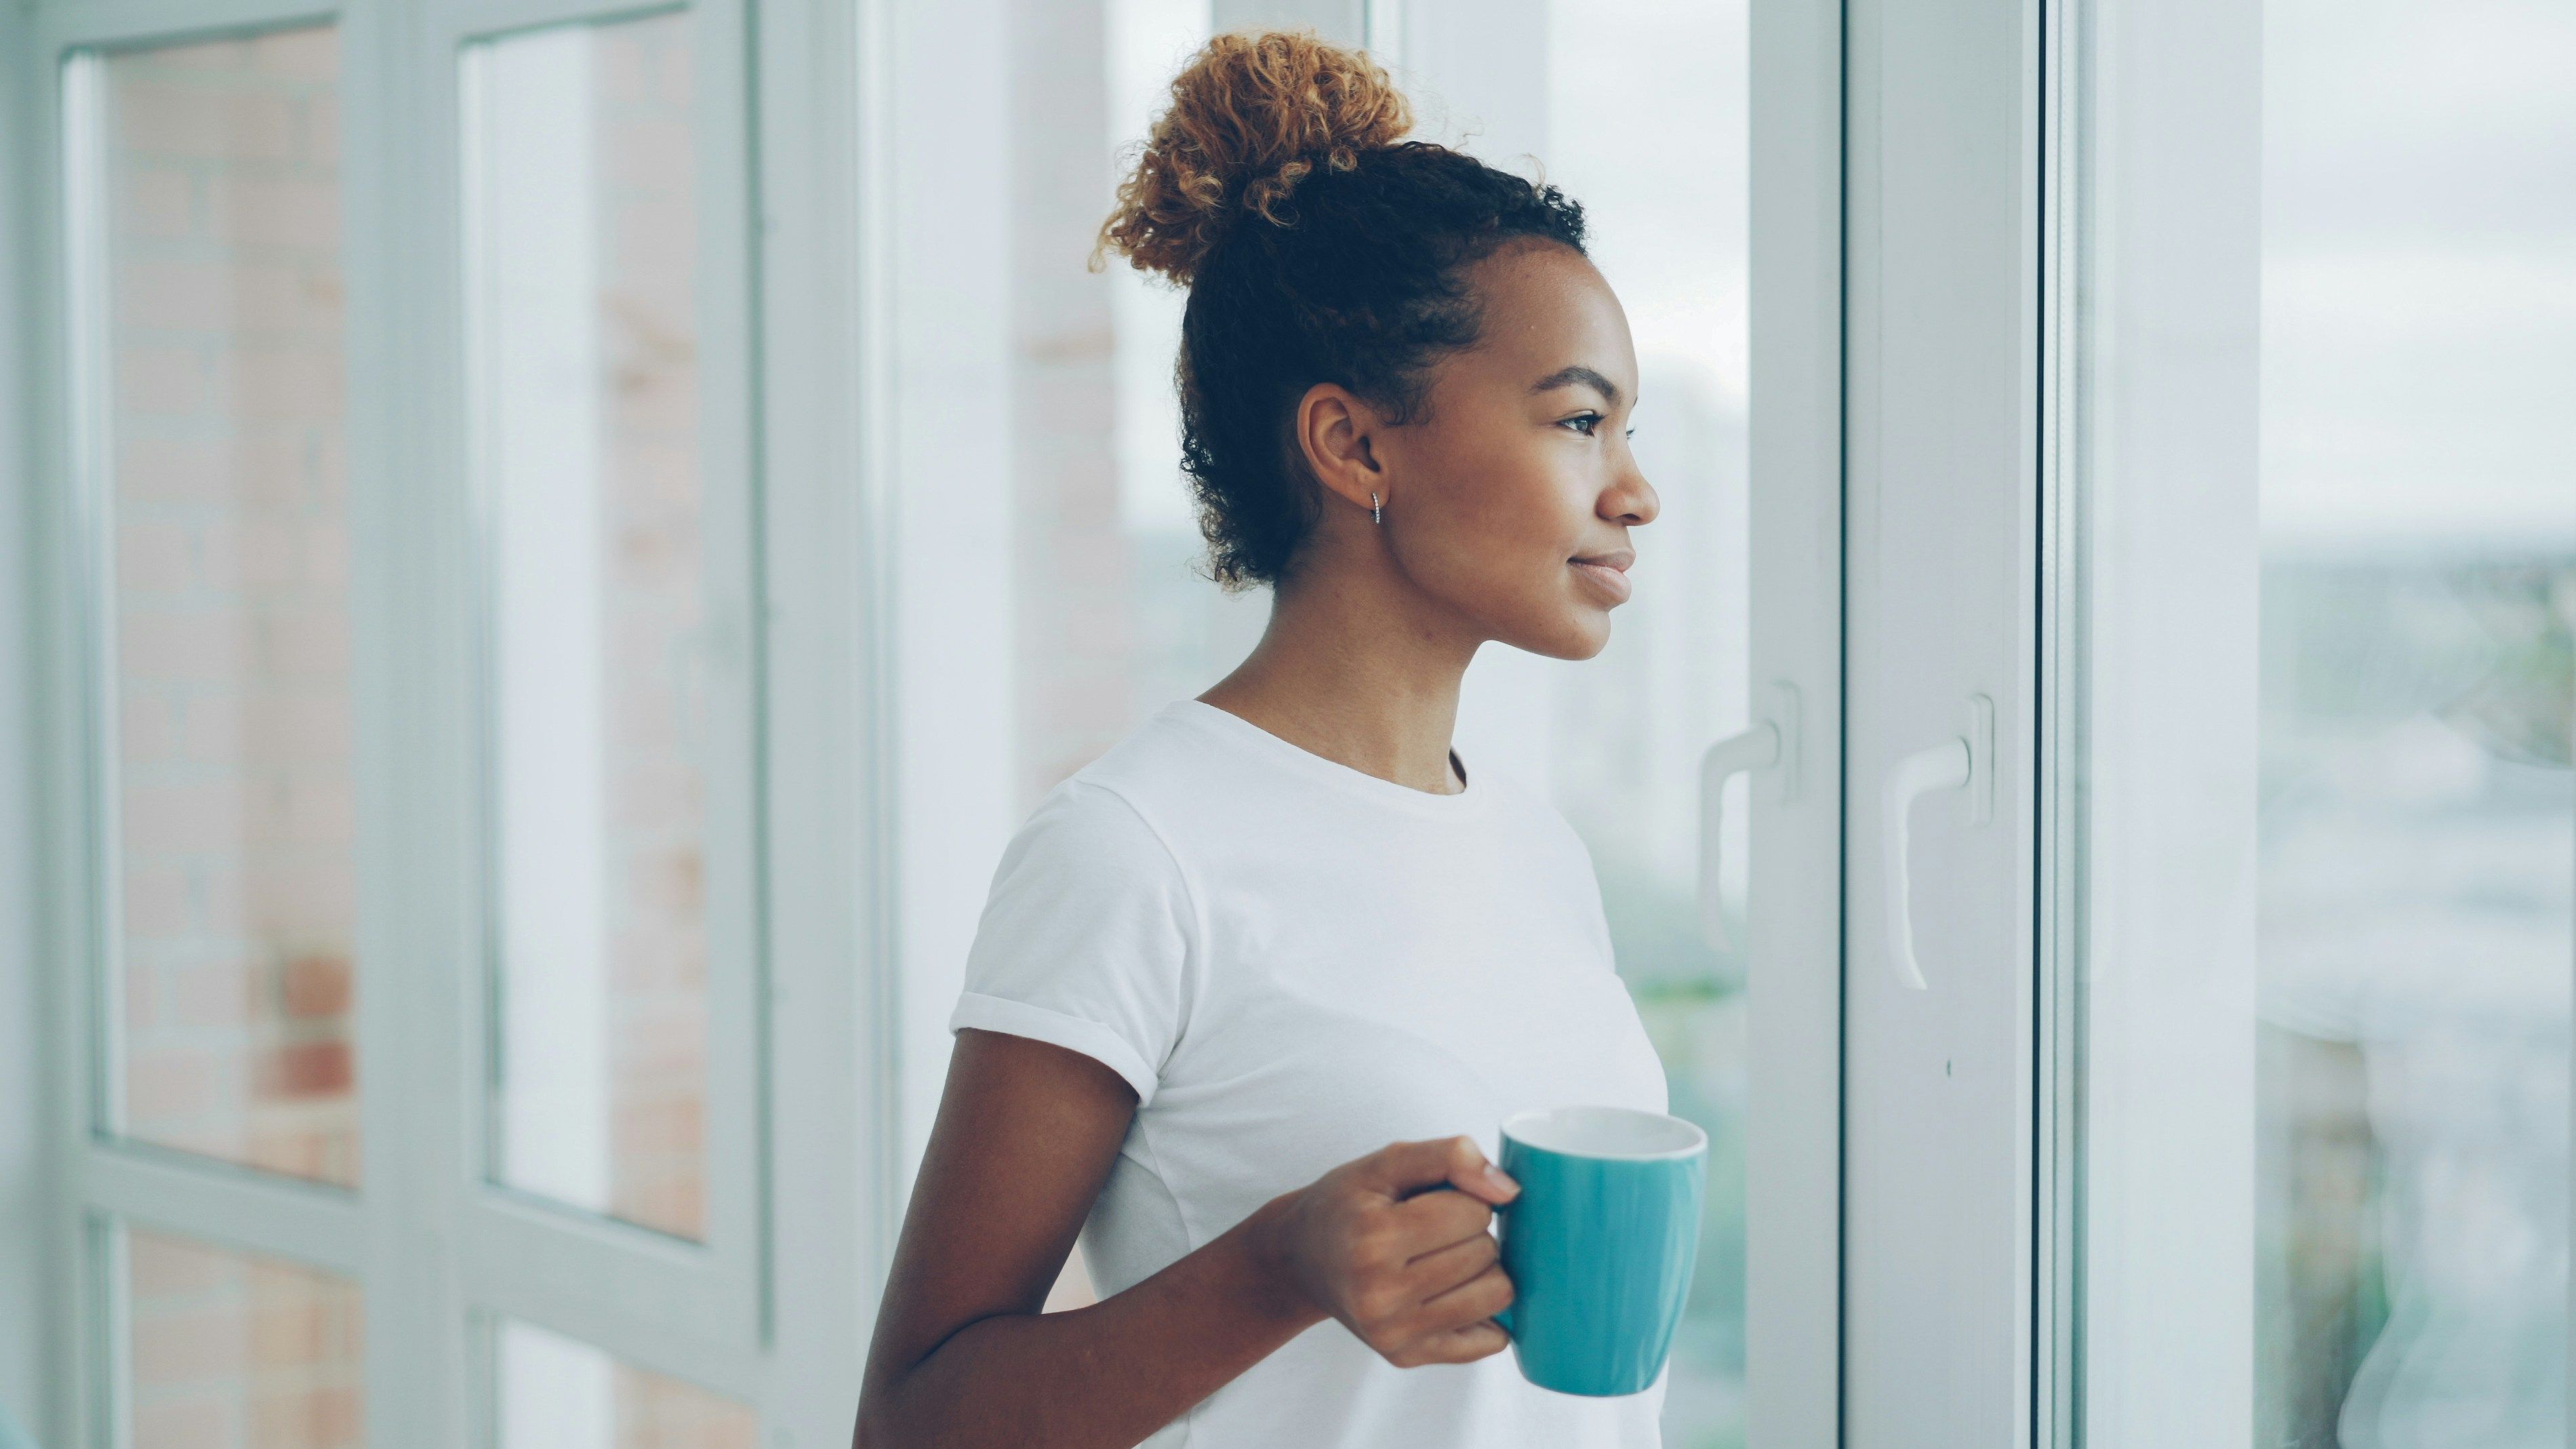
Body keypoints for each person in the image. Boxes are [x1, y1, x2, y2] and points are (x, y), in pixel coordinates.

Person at [854, 28, 1665, 1449]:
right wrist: (1277, 1265)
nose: (1635, 491)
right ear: (1354, 447)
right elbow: (913, 1422)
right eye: (1580, 420)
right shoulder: (1132, 854)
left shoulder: (1538, 851)